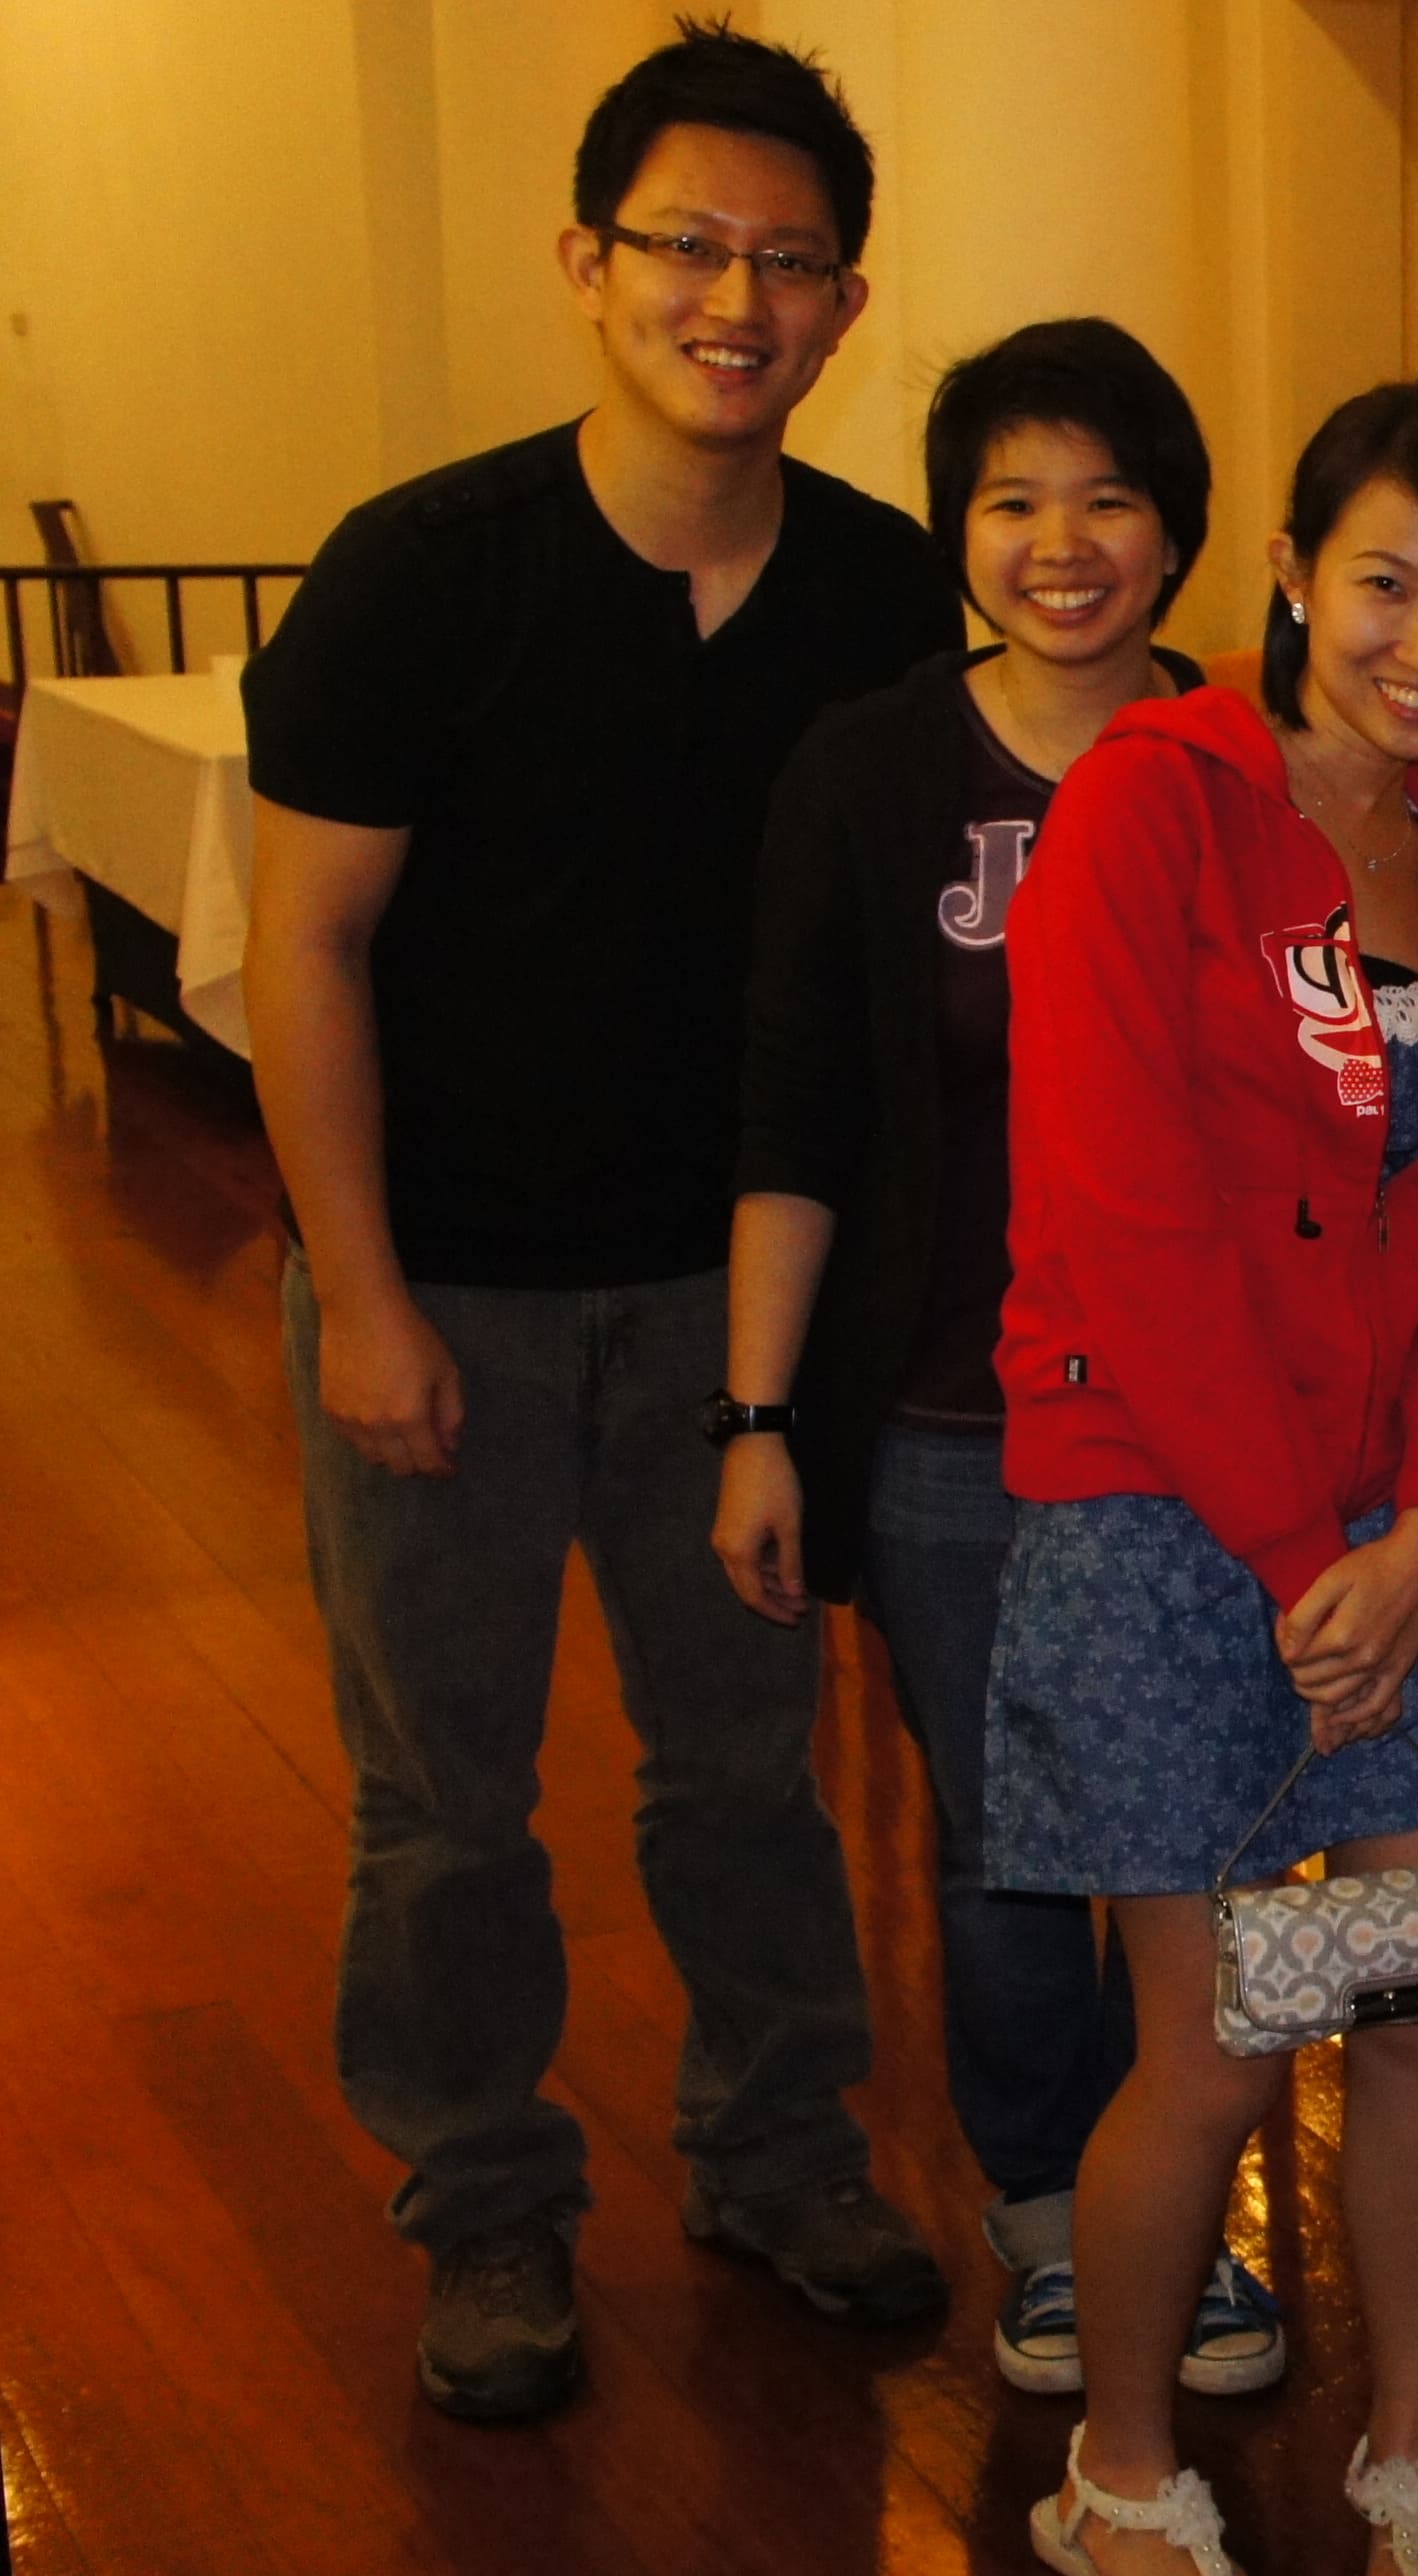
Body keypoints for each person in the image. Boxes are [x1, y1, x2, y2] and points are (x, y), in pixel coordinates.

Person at [238, 22, 954, 2425]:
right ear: (588, 263)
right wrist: (358, 1294)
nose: (733, 297)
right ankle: (485, 2207)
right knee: (444, 1793)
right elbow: (301, 950)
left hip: (737, 1311)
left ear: (846, 305)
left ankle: (775, 2150)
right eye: (685, 246)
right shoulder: (421, 574)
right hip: (444, 1285)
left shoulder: (882, 596)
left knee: (743, 1760)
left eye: (788, 261)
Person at [987, 379, 1418, 2576]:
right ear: (1297, 572)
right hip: (1166, 1514)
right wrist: (1306, 1555)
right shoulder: (1153, 806)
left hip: (1388, 1539)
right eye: (1387, 576)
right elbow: (1126, 1217)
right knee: (1218, 2043)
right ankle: (1120, 2468)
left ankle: (1405, 2448)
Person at [715, 317, 1300, 2402]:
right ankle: (1054, 2212)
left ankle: (1183, 2204)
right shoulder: (872, 771)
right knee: (1002, 1848)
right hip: (953, 1420)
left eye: (1110, 496)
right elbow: (790, 1114)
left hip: (1210, 1423)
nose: (1063, 543)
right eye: (1012, 500)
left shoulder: (1254, 755)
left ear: (1179, 526)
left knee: (1204, 1835)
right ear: (961, 528)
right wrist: (764, 1418)